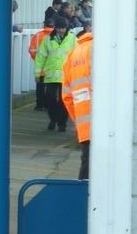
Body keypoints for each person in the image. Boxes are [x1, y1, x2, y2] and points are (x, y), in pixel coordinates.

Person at [34, 15, 75, 132]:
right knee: (50, 99)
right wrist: (37, 73)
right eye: (59, 28)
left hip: (66, 75)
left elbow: (77, 55)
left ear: (67, 28)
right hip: (51, 75)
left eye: (63, 28)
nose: (61, 30)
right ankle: (53, 119)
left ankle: (62, 123)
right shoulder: (48, 39)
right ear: (55, 28)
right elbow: (40, 57)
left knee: (64, 101)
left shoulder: (72, 39)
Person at [62, 23, 93, 179]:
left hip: (83, 120)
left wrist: (78, 119)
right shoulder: (101, 49)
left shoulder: (72, 54)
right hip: (104, 121)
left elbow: (66, 96)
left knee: (86, 163)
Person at [28, 17, 54, 110]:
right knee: (51, 88)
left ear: (44, 25)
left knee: (40, 86)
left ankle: (39, 105)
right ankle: (48, 105)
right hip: (52, 67)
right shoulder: (56, 36)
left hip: (40, 66)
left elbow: (31, 50)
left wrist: (37, 60)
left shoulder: (38, 35)